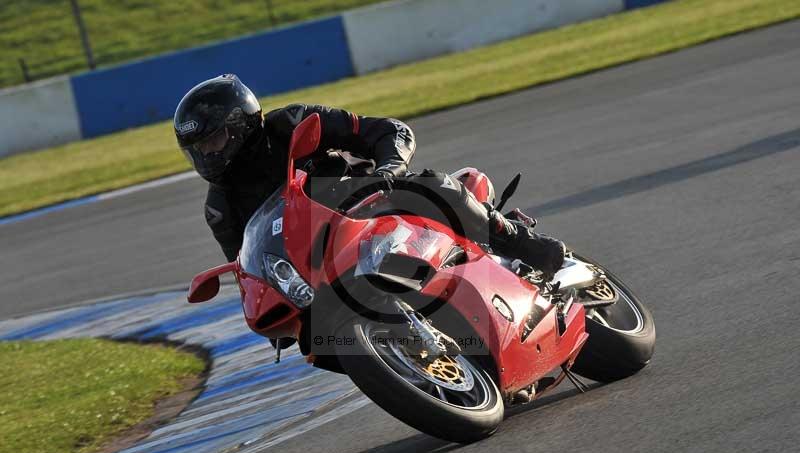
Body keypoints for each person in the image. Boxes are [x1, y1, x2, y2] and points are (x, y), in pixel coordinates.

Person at [174, 74, 565, 277]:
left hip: (368, 204)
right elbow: (248, 269)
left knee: (430, 185)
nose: (208, 154)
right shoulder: (220, 209)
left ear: (241, 123)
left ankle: (519, 242)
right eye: (199, 149)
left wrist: (390, 169)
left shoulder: (291, 123)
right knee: (315, 339)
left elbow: (384, 130)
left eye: (215, 140)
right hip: (322, 260)